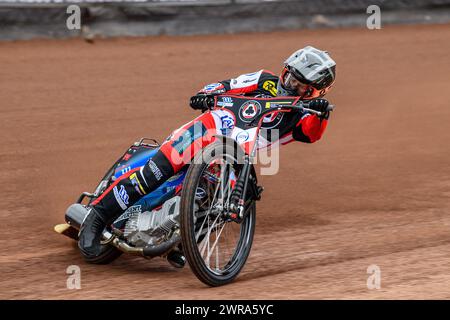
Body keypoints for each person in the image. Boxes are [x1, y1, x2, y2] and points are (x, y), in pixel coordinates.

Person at [78, 45, 336, 257]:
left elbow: (312, 133)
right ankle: (98, 216)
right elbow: (226, 85)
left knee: (221, 200)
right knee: (158, 170)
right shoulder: (263, 79)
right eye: (289, 76)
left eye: (300, 85)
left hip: (235, 158)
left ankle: (183, 244)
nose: (289, 85)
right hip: (211, 128)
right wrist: (206, 94)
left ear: (317, 91)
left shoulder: (306, 114)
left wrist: (321, 114)